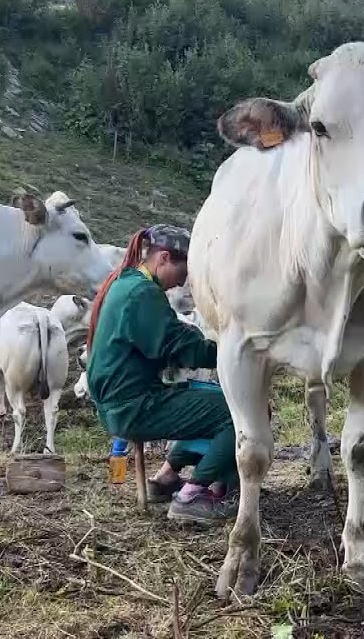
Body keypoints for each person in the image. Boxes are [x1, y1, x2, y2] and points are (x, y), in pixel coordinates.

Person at [84, 223, 236, 525]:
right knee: (237, 413)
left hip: (120, 402)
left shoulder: (125, 283)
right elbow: (178, 346)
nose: (179, 285)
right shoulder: (142, 294)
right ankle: (191, 495)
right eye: (180, 275)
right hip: (133, 407)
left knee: (211, 397)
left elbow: (165, 338)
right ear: (164, 258)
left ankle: (166, 477)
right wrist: (231, 355)